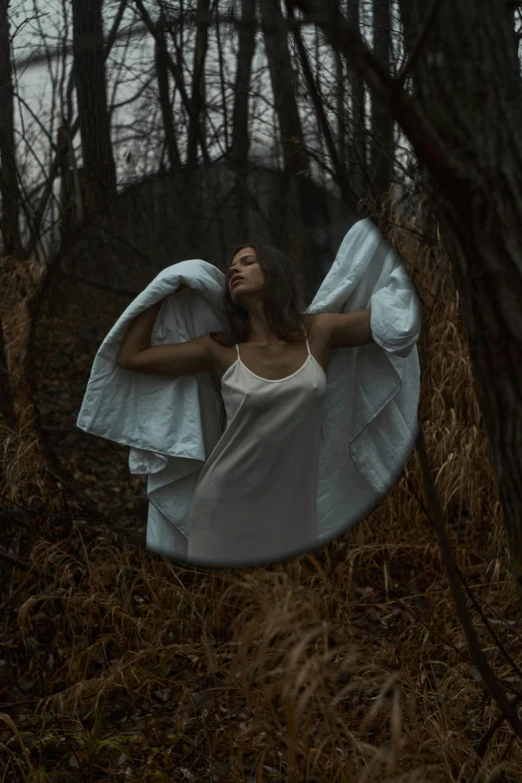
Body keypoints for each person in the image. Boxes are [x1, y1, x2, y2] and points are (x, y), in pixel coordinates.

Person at [115, 243, 373, 565]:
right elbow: (130, 357)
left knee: (286, 607)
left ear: (274, 273)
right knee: (228, 609)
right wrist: (164, 287)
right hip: (225, 505)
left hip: (294, 509)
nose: (235, 269)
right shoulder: (219, 349)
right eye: (232, 266)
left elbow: (389, 323)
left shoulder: (318, 331)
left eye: (248, 262)